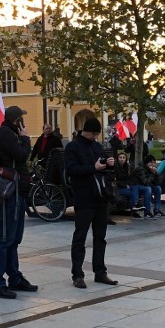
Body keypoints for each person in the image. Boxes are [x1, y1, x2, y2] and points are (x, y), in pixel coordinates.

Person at [0, 106, 36, 299]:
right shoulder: (6, 134)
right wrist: (25, 138)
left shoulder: (8, 133)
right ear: (17, 121)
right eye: (21, 120)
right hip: (11, 193)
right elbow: (23, 156)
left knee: (14, 238)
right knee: (5, 237)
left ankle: (14, 277)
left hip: (18, 192)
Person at [66, 117, 118, 289]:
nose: (96, 137)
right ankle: (77, 274)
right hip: (84, 198)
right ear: (86, 131)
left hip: (100, 198)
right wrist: (93, 167)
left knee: (100, 238)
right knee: (80, 237)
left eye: (97, 134)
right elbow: (72, 170)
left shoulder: (96, 146)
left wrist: (108, 164)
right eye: (94, 134)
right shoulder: (73, 147)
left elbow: (102, 166)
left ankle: (100, 272)